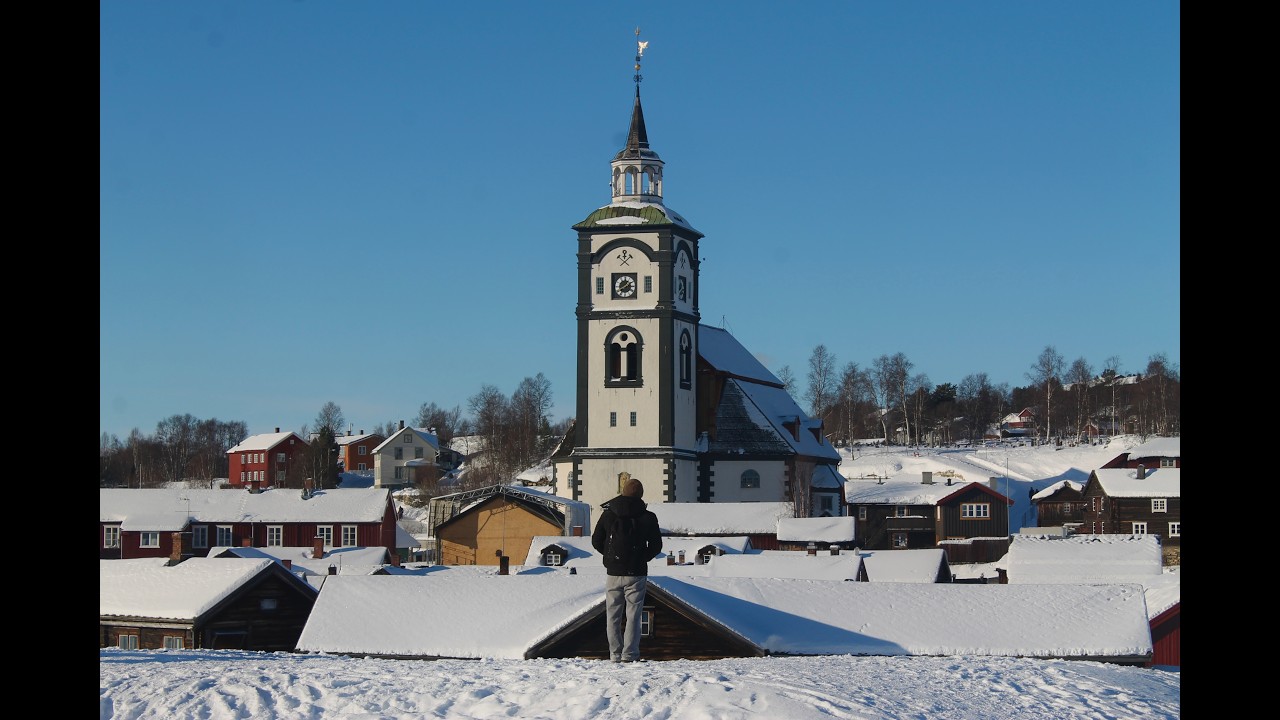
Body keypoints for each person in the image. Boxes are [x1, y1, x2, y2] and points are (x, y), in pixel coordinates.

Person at [591, 477, 663, 662]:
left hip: (613, 572)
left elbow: (596, 540)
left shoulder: (608, 514)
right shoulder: (648, 517)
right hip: (637, 573)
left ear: (622, 492)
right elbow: (656, 546)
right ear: (641, 495)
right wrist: (641, 558)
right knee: (634, 615)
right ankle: (630, 654)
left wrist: (609, 557)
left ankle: (615, 654)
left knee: (612, 615)